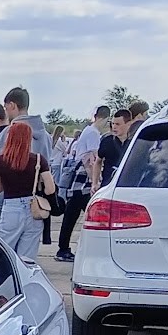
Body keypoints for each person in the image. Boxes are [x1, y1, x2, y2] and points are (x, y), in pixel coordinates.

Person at [0, 121, 54, 260]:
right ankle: (23, 280)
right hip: (34, 209)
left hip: (11, 208)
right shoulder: (39, 160)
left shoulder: (0, 161)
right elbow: (50, 189)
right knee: (27, 259)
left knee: (3, 253)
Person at [56, 105, 108, 262]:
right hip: (83, 179)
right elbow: (92, 159)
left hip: (79, 178)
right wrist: (95, 180)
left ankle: (63, 248)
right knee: (94, 215)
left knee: (71, 215)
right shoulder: (93, 133)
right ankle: (66, 248)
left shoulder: (87, 130)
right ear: (104, 118)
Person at [0, 87, 52, 161]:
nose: (6, 113)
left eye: (6, 108)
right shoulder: (46, 136)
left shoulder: (8, 132)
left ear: (12, 105)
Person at [97, 109, 132, 189]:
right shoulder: (107, 141)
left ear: (128, 124)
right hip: (107, 184)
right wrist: (95, 183)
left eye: (118, 124)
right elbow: (98, 161)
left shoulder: (134, 142)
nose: (114, 127)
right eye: (113, 124)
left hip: (127, 186)